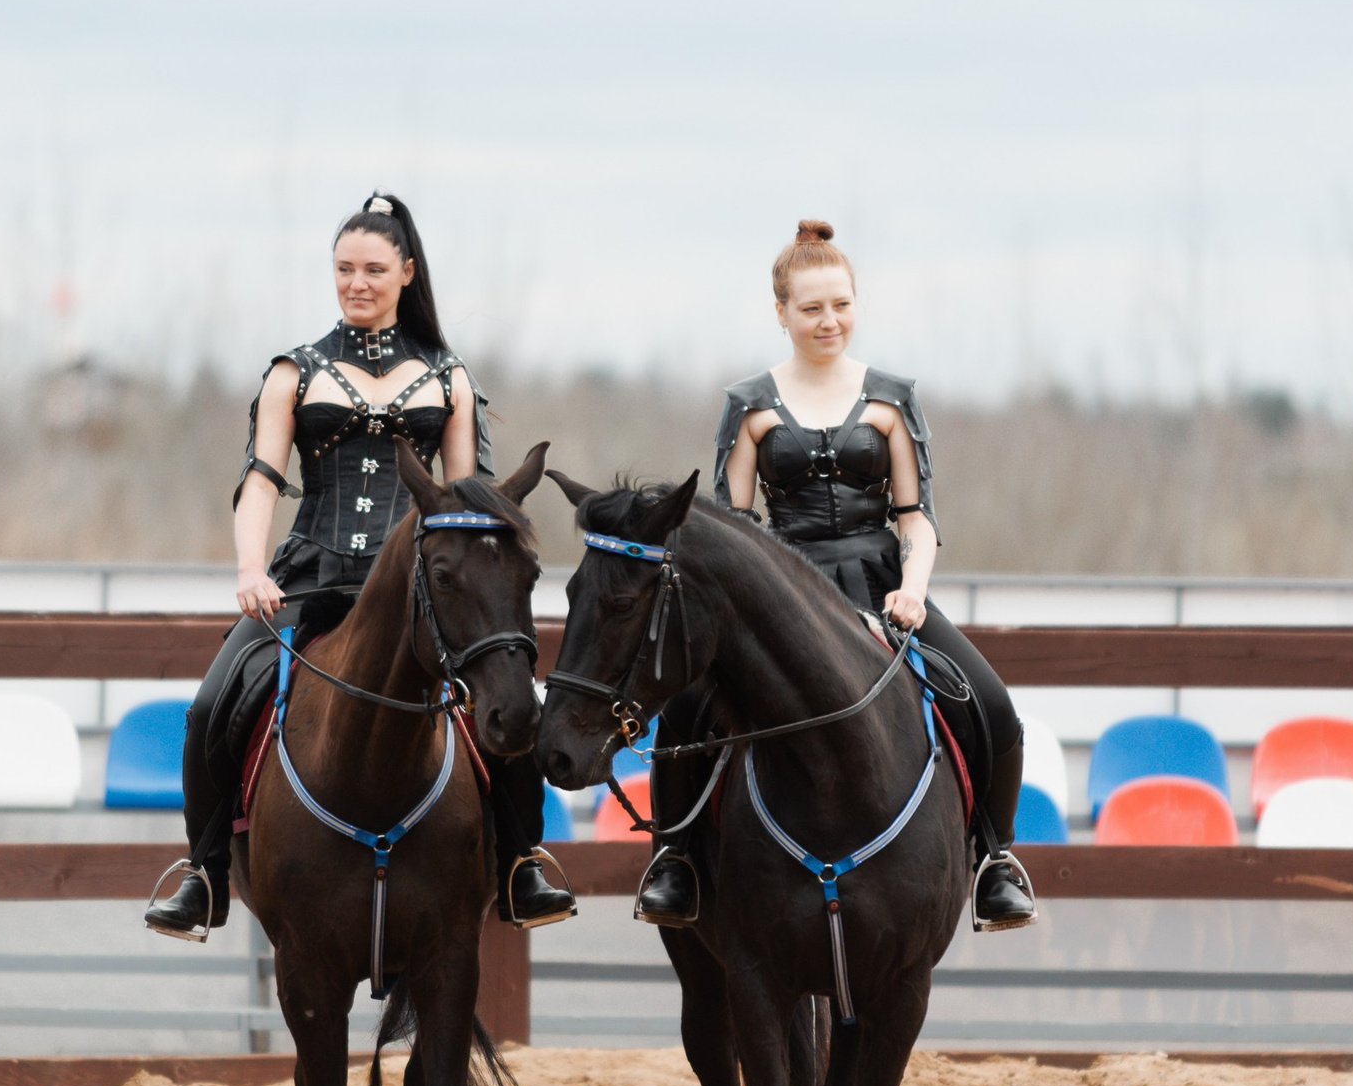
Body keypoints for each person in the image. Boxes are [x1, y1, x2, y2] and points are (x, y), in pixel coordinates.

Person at [145, 194, 575, 941]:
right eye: (344, 268)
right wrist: (251, 566)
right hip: (310, 579)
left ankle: (519, 863)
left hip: (421, 593)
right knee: (211, 707)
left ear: (406, 272)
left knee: (510, 700)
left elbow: (469, 502)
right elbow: (260, 482)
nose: (357, 282)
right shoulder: (293, 372)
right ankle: (205, 873)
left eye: (374, 269)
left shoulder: (450, 378)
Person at [631, 220, 1037, 933]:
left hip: (885, 581)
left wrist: (912, 587)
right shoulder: (749, 404)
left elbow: (915, 516)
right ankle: (676, 859)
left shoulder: (891, 398)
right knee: (686, 711)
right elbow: (736, 527)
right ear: (781, 312)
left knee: (993, 706)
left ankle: (994, 860)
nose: (829, 320)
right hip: (783, 587)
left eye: (842, 304)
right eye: (812, 307)